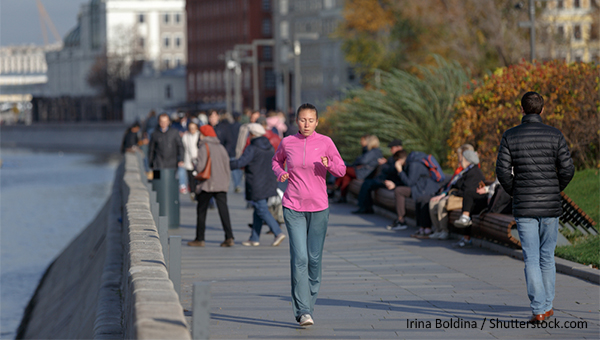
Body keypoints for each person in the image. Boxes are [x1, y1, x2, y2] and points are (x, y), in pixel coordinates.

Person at [496, 91, 574, 324]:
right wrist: (554, 188)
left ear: (522, 110)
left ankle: (539, 308)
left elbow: (502, 171)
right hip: (550, 206)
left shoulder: (510, 136)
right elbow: (568, 169)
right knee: (547, 257)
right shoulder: (555, 135)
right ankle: (546, 306)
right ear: (542, 109)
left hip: (524, 206)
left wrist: (515, 190)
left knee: (531, 258)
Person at [272, 103, 346, 327]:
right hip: (293, 206)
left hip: (319, 207)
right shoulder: (288, 142)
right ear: (297, 120)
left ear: (317, 122)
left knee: (314, 259)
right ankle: (303, 310)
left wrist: (329, 163)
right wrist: (281, 173)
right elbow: (276, 161)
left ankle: (309, 304)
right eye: (303, 120)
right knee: (300, 258)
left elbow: (341, 169)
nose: (306, 124)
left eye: (311, 120)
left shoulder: (326, 142)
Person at [231, 123, 286, 247]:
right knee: (258, 210)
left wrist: (227, 164)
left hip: (257, 182)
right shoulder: (269, 146)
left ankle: (277, 232)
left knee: (261, 209)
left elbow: (241, 162)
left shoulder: (252, 148)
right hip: (269, 181)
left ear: (252, 134)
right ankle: (254, 238)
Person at [187, 125, 235, 247]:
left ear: (203, 134)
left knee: (201, 210)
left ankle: (200, 238)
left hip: (208, 184)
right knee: (223, 210)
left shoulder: (204, 147)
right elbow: (227, 166)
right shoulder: (221, 147)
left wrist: (195, 167)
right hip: (221, 183)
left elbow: (201, 167)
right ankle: (229, 237)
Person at [427, 144, 475, 240]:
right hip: (452, 194)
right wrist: (443, 193)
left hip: (460, 197)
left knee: (441, 204)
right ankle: (438, 230)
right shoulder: (459, 170)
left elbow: (463, 189)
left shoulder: (470, 171)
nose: (459, 159)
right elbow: (451, 185)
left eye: (460, 156)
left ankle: (444, 230)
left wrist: (447, 195)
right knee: (432, 203)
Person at [384, 150, 440, 232]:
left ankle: (401, 221)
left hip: (424, 189)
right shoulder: (410, 164)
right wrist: (395, 184)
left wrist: (400, 171)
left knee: (399, 191)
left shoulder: (414, 165)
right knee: (399, 190)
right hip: (419, 188)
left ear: (399, 160)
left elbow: (409, 182)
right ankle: (401, 220)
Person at [448, 150, 488, 246]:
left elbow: (465, 188)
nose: (460, 161)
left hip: (483, 203)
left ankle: (465, 219)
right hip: (474, 200)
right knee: (467, 206)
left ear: (466, 160)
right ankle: (466, 236)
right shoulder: (468, 171)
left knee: (467, 200)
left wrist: (455, 193)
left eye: (462, 159)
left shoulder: (474, 172)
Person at [352, 139, 403, 214]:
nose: (390, 150)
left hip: (391, 181)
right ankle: (365, 207)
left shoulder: (401, 157)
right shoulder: (393, 157)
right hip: (384, 179)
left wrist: (384, 164)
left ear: (398, 147)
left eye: (392, 148)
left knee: (367, 184)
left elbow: (393, 170)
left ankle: (364, 207)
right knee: (367, 183)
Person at [335, 135, 383, 203]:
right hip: (362, 171)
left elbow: (363, 160)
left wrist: (358, 161)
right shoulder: (373, 151)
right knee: (346, 176)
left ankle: (335, 185)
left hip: (364, 172)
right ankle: (342, 196)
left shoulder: (373, 151)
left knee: (343, 169)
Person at [182, 121, 200, 198]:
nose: (192, 130)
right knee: (190, 177)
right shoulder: (186, 136)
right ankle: (192, 192)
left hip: (198, 159)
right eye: (190, 128)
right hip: (188, 159)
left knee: (198, 177)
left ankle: (197, 192)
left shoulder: (199, 135)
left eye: (193, 128)